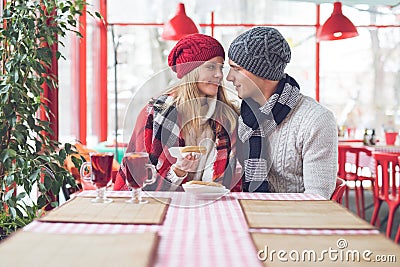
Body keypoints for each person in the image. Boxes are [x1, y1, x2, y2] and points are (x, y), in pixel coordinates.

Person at [114, 33, 240, 191]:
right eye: (211, 67)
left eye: (220, 67)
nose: (220, 75)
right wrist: (177, 171)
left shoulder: (228, 117)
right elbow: (137, 181)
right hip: (163, 206)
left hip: (214, 207)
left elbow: (233, 180)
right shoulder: (155, 114)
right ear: (191, 72)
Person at [226, 27, 337, 199]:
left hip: (293, 220)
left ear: (261, 72)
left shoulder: (316, 119)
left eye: (237, 69)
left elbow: (318, 198)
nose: (229, 77)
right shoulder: (242, 116)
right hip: (247, 211)